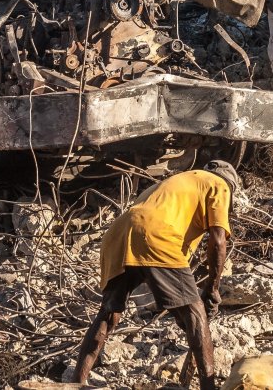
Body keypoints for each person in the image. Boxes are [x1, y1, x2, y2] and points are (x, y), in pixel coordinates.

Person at [75, 161, 238, 390]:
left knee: (109, 313)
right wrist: (212, 286)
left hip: (118, 233)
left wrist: (182, 312)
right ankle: (208, 387)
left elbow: (164, 276)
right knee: (196, 311)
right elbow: (219, 240)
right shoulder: (218, 184)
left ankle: (76, 382)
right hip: (155, 233)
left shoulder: (176, 185)